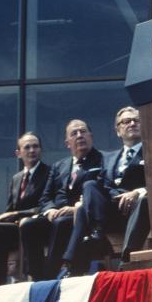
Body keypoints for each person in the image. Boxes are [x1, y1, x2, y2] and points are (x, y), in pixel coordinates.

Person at [59, 107, 151, 276]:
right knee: (89, 186)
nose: (131, 124)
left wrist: (137, 192)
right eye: (126, 121)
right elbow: (103, 184)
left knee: (83, 210)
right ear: (117, 131)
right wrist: (96, 199)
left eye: (136, 120)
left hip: (136, 211)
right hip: (110, 212)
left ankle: (123, 262)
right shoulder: (108, 158)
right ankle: (95, 236)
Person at [18, 120, 103, 281]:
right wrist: (50, 210)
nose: (79, 136)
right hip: (56, 215)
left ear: (91, 136)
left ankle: (51, 276)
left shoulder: (102, 160)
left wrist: (76, 208)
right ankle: (36, 277)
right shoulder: (58, 166)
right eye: (74, 133)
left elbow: (101, 190)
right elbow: (45, 197)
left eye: (83, 131)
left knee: (61, 223)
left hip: (81, 218)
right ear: (67, 143)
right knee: (29, 225)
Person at [0, 133, 50, 284]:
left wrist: (19, 214)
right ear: (18, 153)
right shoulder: (16, 178)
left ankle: (35, 279)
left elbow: (46, 205)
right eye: (27, 147)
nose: (32, 150)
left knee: (28, 226)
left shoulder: (49, 173)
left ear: (41, 150)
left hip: (38, 226)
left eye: (35, 146)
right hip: (16, 229)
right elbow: (10, 209)